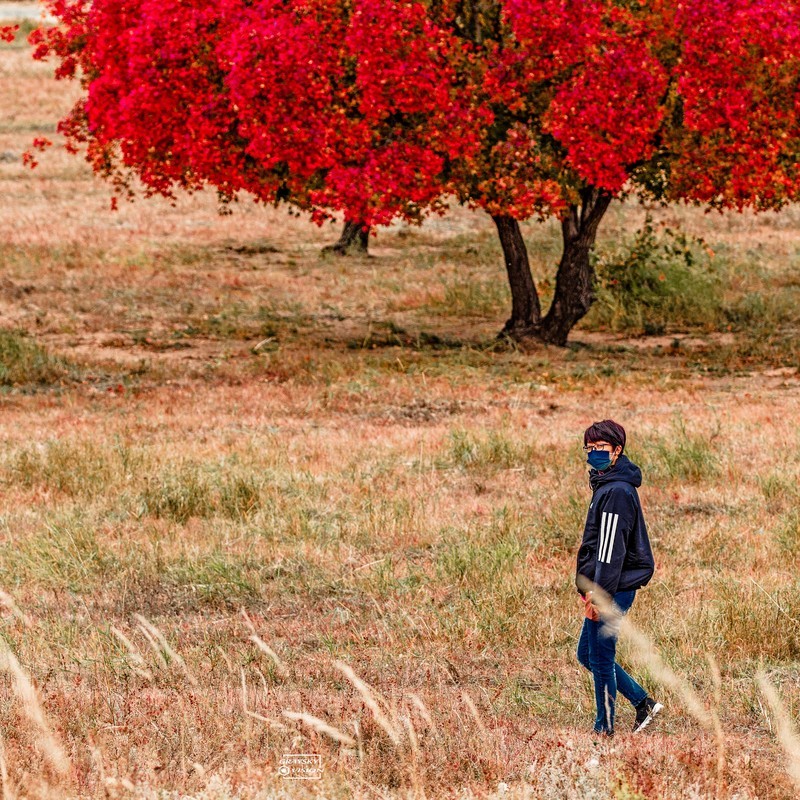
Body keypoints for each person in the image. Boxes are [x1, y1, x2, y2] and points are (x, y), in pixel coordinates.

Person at [574, 419, 663, 738]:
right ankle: (643, 703)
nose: (594, 453)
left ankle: (604, 728)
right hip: (606, 585)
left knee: (600, 656)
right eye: (590, 448)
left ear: (617, 450)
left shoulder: (616, 492)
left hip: (613, 588)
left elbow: (610, 551)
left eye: (601, 448)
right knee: (587, 653)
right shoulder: (606, 484)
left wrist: (599, 596)